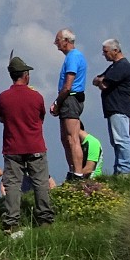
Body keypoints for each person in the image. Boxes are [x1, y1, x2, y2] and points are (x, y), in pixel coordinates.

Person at [0, 55, 54, 230]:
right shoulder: (36, 97)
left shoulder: (3, 97)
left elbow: (1, 118)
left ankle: (12, 220)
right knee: (40, 182)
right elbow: (41, 117)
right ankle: (44, 218)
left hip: (12, 146)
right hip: (35, 145)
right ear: (25, 75)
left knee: (13, 184)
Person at [93, 39, 130, 174]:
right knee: (116, 141)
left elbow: (104, 83)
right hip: (113, 109)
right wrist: (101, 80)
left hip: (119, 108)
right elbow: (98, 80)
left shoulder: (122, 66)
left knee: (121, 139)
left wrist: (101, 81)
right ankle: (120, 168)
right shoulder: (114, 66)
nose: (104, 55)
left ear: (115, 50)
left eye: (106, 52)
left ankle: (126, 169)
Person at [52, 28, 88, 179]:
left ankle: (78, 173)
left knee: (73, 138)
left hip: (71, 98)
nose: (56, 43)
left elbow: (68, 85)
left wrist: (57, 102)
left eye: (58, 40)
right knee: (66, 138)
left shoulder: (73, 57)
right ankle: (73, 170)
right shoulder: (72, 57)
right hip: (69, 99)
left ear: (66, 41)